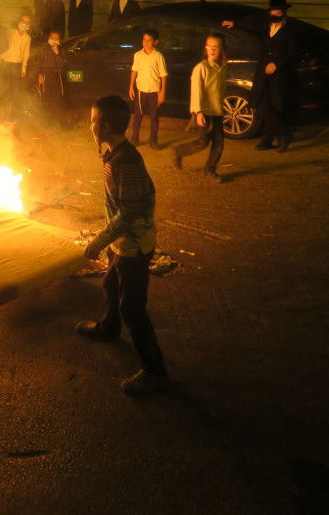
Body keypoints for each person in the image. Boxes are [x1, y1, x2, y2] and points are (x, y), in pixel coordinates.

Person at [76, 95, 168, 396]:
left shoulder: (124, 161)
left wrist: (99, 241)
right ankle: (109, 328)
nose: (89, 126)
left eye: (92, 120)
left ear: (102, 126)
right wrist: (109, 241)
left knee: (133, 308)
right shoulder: (117, 154)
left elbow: (130, 211)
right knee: (110, 286)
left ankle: (155, 370)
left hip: (134, 246)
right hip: (122, 242)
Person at [172, 33, 228, 182]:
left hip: (217, 111)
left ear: (222, 49)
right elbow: (196, 91)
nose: (212, 49)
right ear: (205, 48)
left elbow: (221, 89)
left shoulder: (222, 66)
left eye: (216, 47)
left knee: (219, 143)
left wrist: (223, 106)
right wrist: (198, 112)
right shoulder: (201, 68)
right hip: (205, 112)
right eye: (209, 46)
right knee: (202, 142)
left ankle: (209, 170)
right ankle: (178, 151)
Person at [251, 0, 297, 151]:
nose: (274, 15)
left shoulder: (290, 30)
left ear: (283, 13)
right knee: (264, 106)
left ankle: (278, 137)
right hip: (263, 74)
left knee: (277, 107)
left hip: (279, 76)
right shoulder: (265, 26)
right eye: (272, 12)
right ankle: (273, 137)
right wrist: (234, 23)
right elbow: (251, 25)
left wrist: (277, 64)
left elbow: (292, 53)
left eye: (277, 12)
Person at [129, 29, 168, 149]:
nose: (146, 42)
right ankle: (135, 139)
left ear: (156, 42)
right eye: (144, 40)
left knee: (154, 117)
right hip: (141, 91)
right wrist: (131, 87)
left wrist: (162, 92)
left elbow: (163, 75)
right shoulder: (138, 55)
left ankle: (153, 141)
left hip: (154, 92)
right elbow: (134, 71)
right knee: (137, 116)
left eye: (149, 40)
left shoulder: (159, 56)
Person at [0, 13, 32, 121]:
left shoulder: (27, 38)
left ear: (29, 25)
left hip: (16, 66)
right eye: (23, 21)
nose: (24, 24)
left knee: (15, 92)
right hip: (5, 64)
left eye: (27, 22)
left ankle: (13, 118)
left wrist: (23, 68)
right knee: (1, 90)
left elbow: (26, 54)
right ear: (19, 21)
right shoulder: (10, 33)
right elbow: (1, 46)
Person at [29, 28, 68, 128]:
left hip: (56, 77)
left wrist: (57, 53)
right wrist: (39, 74)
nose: (54, 40)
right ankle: (46, 121)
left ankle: (63, 124)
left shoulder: (61, 50)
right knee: (45, 100)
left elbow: (62, 65)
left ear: (59, 40)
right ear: (49, 38)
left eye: (56, 38)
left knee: (58, 100)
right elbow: (38, 63)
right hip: (45, 76)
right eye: (52, 37)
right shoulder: (43, 49)